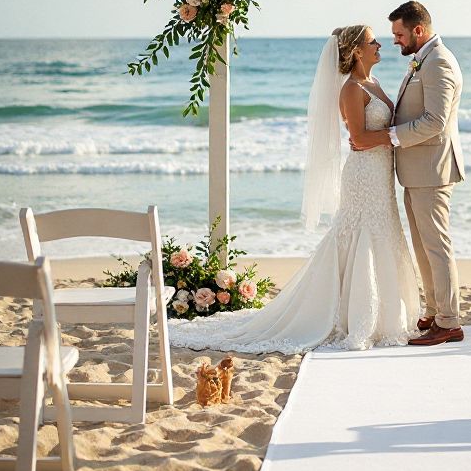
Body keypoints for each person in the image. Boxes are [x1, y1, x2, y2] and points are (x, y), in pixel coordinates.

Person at [168, 24, 419, 354]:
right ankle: (351, 316)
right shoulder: (351, 89)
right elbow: (358, 138)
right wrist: (401, 135)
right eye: (373, 41)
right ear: (357, 50)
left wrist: (397, 135)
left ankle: (384, 317)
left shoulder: (374, 83)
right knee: (360, 237)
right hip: (362, 175)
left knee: (381, 234)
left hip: (380, 174)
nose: (380, 46)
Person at [352, 1, 465, 346]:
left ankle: (449, 321)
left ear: (418, 30)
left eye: (399, 34)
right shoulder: (424, 60)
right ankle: (434, 311)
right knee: (423, 246)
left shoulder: (439, 62)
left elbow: (435, 121)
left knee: (436, 246)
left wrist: (389, 137)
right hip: (417, 170)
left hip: (432, 169)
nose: (396, 41)